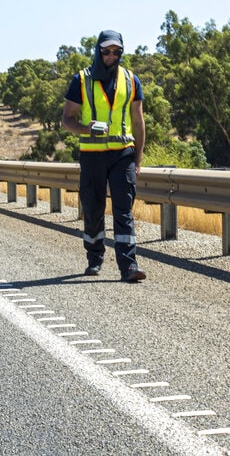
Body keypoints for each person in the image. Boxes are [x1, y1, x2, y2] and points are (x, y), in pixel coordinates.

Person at [61, 30, 148, 282]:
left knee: (124, 211)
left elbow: (138, 120)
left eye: (116, 51)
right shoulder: (81, 80)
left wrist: (138, 158)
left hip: (123, 154)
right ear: (98, 51)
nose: (112, 56)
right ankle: (94, 258)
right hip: (92, 155)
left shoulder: (131, 80)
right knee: (93, 208)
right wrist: (85, 129)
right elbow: (67, 118)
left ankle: (129, 266)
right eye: (107, 51)